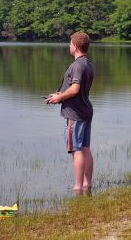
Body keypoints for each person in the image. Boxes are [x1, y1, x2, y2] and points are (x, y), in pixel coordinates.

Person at [46, 31, 94, 193]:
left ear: (75, 46)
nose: (69, 46)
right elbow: (75, 90)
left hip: (76, 113)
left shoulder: (78, 65)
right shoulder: (87, 64)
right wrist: (59, 95)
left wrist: (60, 98)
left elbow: (75, 89)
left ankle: (78, 187)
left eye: (70, 43)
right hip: (84, 110)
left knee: (76, 149)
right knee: (85, 148)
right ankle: (87, 185)